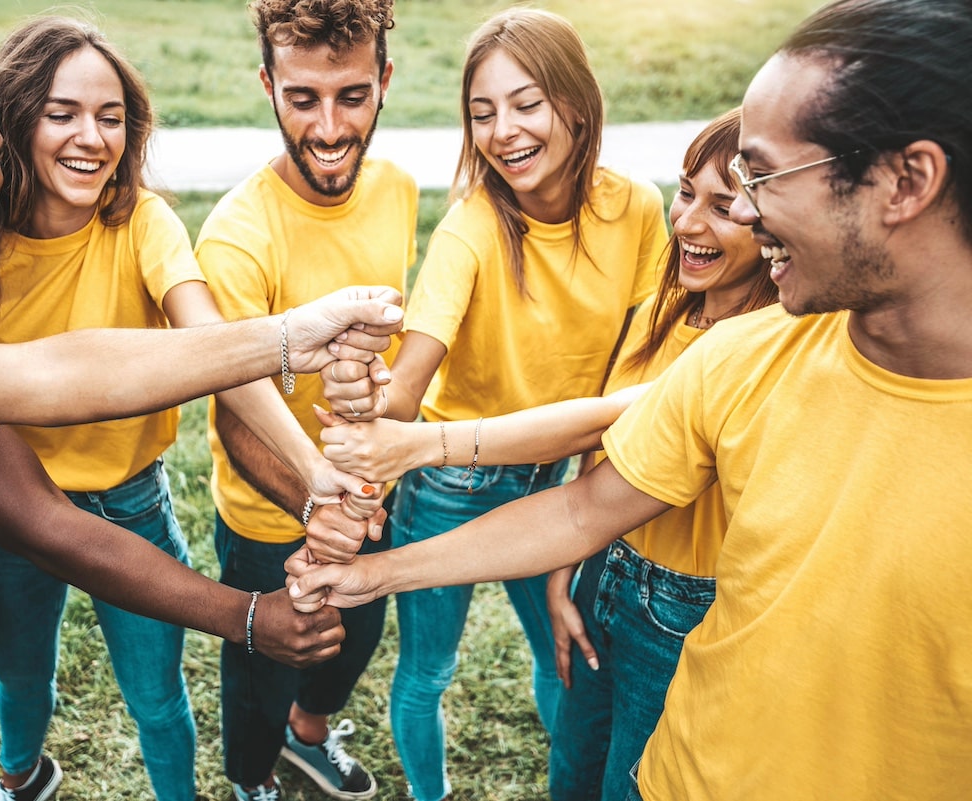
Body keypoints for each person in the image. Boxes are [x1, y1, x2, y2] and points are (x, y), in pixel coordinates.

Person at [288, 1, 972, 799]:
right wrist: (376, 570)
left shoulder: (675, 266)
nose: (741, 211)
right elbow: (584, 512)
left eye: (763, 177)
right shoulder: (742, 355)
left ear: (907, 180)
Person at [0, 25, 399, 801]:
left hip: (125, 502)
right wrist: (245, 612)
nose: (91, 137)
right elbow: (42, 436)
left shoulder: (119, 222)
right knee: (16, 680)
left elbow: (189, 342)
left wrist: (310, 469)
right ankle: (19, 773)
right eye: (62, 113)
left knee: (155, 695)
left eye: (111, 116)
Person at [319, 9, 665, 801]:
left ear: (576, 104)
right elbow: (409, 379)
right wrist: (371, 397)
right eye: (482, 113)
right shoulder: (473, 226)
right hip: (452, 483)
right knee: (428, 670)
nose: (502, 131)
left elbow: (630, 378)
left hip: (562, 478)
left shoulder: (639, 210)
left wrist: (586, 489)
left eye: (526, 103)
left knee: (565, 656)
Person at [192, 1, 417, 799]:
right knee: (264, 667)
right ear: (267, 86)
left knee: (355, 639)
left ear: (385, 82)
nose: (328, 127)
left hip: (366, 496)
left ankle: (309, 735)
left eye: (352, 96)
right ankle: (254, 780)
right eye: (302, 98)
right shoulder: (237, 238)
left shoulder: (395, 187)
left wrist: (363, 497)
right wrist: (327, 508)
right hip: (269, 519)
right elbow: (236, 419)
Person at [544, 107, 779, 801]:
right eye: (684, 193)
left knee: (632, 785)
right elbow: (598, 448)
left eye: (724, 207)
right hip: (604, 568)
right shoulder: (663, 308)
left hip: (685, 610)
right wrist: (566, 573)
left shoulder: (766, 345)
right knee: (572, 773)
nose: (687, 224)